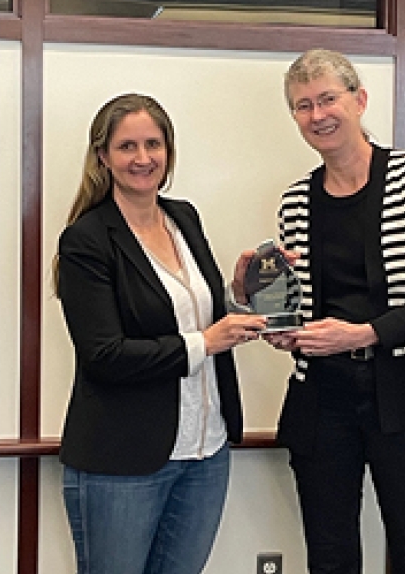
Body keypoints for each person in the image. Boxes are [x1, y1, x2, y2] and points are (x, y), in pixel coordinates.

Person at [232, 49, 405, 574]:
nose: (317, 115)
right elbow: (299, 312)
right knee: (329, 556)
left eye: (328, 99)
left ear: (359, 100)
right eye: (302, 106)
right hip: (321, 398)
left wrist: (362, 334)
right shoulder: (295, 200)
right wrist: (267, 316)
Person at [54, 93, 267, 574]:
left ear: (169, 151)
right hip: (122, 460)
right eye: (127, 146)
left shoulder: (184, 218)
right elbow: (104, 355)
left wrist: (238, 295)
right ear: (103, 157)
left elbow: (194, 316)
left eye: (154, 143)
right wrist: (206, 343)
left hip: (206, 451)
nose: (143, 158)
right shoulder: (87, 239)